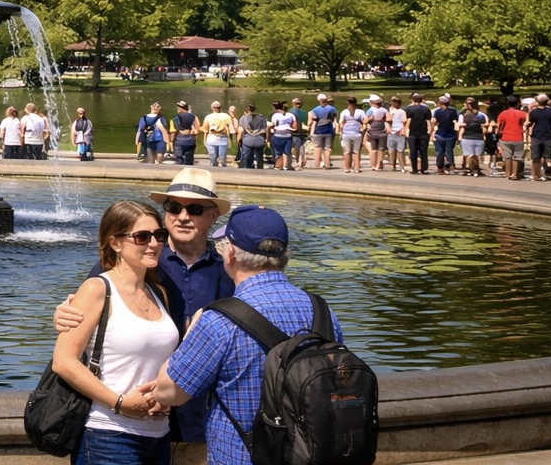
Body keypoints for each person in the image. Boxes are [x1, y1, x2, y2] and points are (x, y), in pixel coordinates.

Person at [53, 169, 235, 459]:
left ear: (214, 216)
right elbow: (89, 307)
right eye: (174, 207)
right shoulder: (138, 257)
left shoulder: (229, 271)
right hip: (127, 422)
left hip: (198, 424)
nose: (182, 216)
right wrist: (63, 313)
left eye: (195, 209)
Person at [152, 206, 344, 465]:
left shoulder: (220, 320)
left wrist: (190, 335)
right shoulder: (322, 310)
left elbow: (169, 392)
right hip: (309, 454)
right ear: (285, 254)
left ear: (229, 253)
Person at [51, 200, 179, 465]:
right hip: (107, 436)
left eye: (159, 235)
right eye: (142, 237)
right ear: (115, 243)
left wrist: (164, 398)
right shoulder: (96, 289)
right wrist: (119, 402)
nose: (154, 243)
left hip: (158, 434)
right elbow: (63, 361)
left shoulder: (160, 293)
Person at [495, 97, 528, 181]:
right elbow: (527, 123)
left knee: (507, 156)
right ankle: (514, 174)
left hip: (505, 137)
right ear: (517, 104)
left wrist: (497, 134)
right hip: (518, 137)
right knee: (517, 157)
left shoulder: (503, 113)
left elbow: (498, 125)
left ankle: (507, 173)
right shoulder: (522, 113)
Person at [457, 97, 489, 177]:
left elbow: (459, 127)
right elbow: (485, 129)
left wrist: (459, 136)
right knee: (474, 155)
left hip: (470, 137)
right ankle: (474, 170)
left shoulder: (463, 115)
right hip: (476, 137)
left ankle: (471, 169)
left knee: (470, 155)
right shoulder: (482, 115)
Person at [402, 92, 433, 175]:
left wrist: (406, 131)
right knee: (423, 152)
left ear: (413, 100)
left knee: (413, 152)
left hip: (412, 132)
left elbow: (407, 121)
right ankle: (424, 169)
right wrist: (429, 131)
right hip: (423, 132)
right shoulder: (426, 109)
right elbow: (428, 120)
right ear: (421, 100)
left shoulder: (408, 109)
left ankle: (414, 169)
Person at [528, 94, 551, 182]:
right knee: (548, 156)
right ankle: (548, 170)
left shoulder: (533, 112)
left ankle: (537, 175)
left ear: (538, 101)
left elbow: (531, 122)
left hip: (536, 136)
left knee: (536, 157)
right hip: (549, 136)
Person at [432, 95, 461, 175]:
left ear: (441, 103)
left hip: (440, 134)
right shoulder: (453, 111)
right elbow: (455, 122)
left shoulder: (437, 112)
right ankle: (449, 166)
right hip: (451, 134)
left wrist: (431, 132)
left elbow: (434, 122)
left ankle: (440, 168)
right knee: (449, 151)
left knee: (440, 152)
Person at [337, 96, 366, 174]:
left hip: (346, 133)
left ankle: (347, 168)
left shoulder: (344, 112)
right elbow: (364, 121)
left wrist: (340, 131)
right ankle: (357, 168)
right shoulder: (360, 112)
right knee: (356, 151)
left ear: (348, 103)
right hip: (357, 133)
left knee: (347, 152)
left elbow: (341, 123)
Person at [308, 94, 337, 170]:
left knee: (318, 147)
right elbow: (334, 119)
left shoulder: (315, 110)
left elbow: (313, 121)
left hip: (318, 130)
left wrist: (311, 131)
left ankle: (317, 165)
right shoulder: (332, 109)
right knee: (327, 148)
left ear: (319, 100)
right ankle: (327, 164)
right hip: (329, 130)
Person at [236, 104, 267, 170]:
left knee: (246, 157)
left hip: (247, 140)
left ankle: (247, 168)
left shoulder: (243, 119)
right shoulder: (261, 118)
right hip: (259, 139)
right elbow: (264, 129)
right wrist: (265, 139)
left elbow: (240, 130)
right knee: (259, 157)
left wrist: (239, 140)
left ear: (246, 110)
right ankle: (260, 168)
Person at [202, 102, 232, 169]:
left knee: (213, 158)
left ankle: (214, 170)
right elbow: (230, 128)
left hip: (211, 138)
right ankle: (223, 171)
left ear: (212, 108)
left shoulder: (208, 117)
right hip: (223, 139)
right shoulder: (226, 116)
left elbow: (205, 129)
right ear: (220, 108)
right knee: (222, 159)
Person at [170, 102, 200, 167]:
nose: (177, 109)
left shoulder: (175, 118)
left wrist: (171, 142)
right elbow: (197, 130)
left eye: (178, 107)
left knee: (179, 160)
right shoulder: (194, 117)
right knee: (189, 161)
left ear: (181, 108)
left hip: (179, 142)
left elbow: (173, 132)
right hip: (190, 142)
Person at [364, 96, 389, 172]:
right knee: (381, 149)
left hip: (373, 130)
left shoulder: (370, 110)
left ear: (371, 102)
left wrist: (369, 119)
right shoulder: (384, 110)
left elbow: (365, 121)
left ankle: (373, 165)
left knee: (373, 149)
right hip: (382, 129)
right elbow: (388, 119)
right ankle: (378, 164)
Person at [268, 102, 295, 171]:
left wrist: (268, 135)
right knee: (287, 152)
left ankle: (278, 165)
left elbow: (274, 125)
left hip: (277, 134)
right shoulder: (291, 115)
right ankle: (286, 166)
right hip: (288, 135)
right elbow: (294, 126)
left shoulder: (275, 115)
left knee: (278, 152)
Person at [386, 95, 409, 172]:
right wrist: (391, 114)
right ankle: (393, 165)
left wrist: (403, 130)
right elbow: (387, 121)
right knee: (392, 150)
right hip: (391, 133)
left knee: (400, 150)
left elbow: (404, 121)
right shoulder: (390, 111)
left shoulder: (402, 111)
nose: (394, 104)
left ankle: (402, 167)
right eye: (393, 102)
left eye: (396, 102)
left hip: (400, 133)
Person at [287, 97, 308, 172]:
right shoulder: (305, 113)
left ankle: (295, 162)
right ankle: (301, 161)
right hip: (303, 131)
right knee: (301, 147)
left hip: (293, 132)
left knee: (293, 147)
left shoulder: (289, 112)